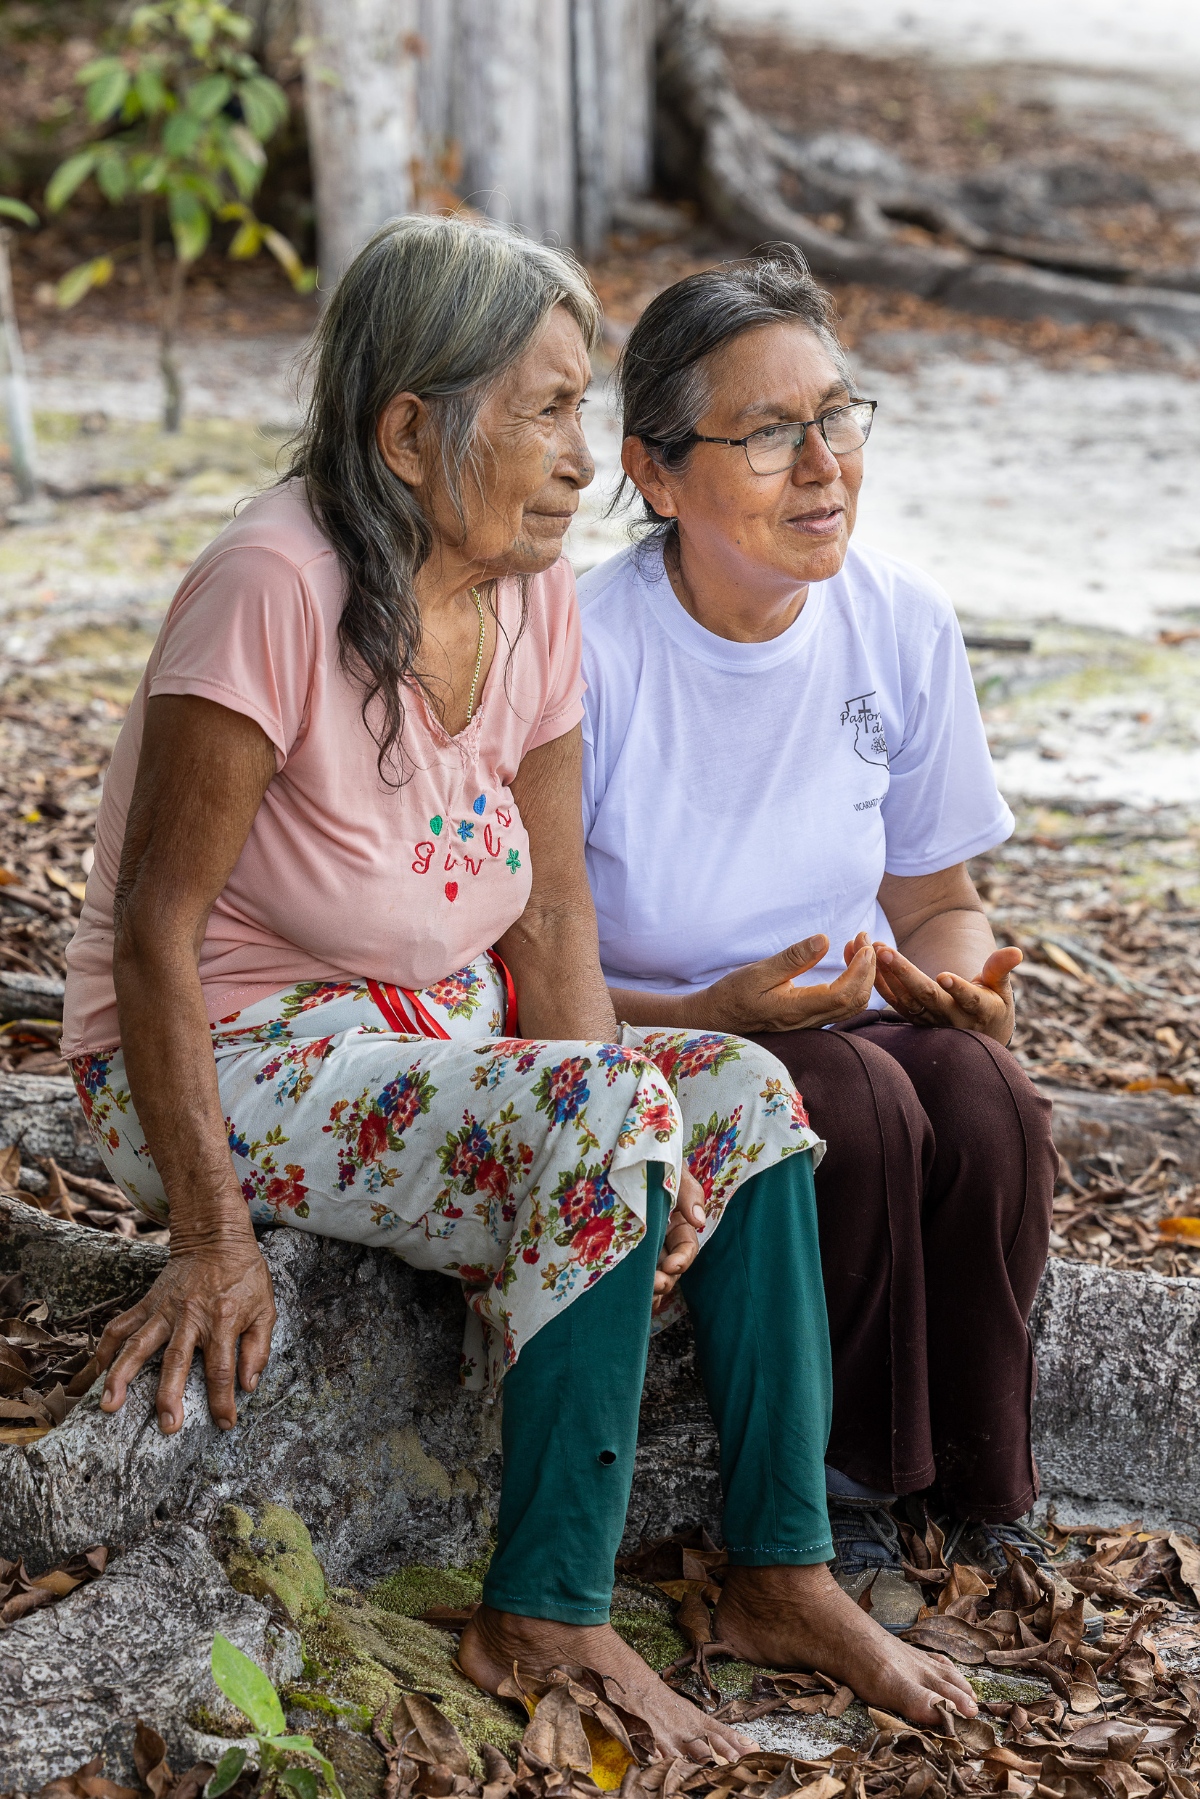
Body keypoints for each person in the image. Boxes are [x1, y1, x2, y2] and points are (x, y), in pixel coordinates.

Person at [61, 217, 977, 1753]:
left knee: (744, 1097)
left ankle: (783, 1568)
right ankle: (540, 1609)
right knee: (612, 1114)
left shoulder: (530, 591)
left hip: (437, 1045)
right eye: (546, 412)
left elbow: (552, 917)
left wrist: (609, 1165)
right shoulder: (271, 583)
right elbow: (157, 933)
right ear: (411, 433)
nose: (580, 459)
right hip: (226, 1053)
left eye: (580, 412)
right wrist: (209, 1242)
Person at [578, 246, 1057, 1619]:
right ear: (657, 475)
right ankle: (834, 1497)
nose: (825, 464)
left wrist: (962, 986)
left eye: (839, 416)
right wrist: (718, 1013)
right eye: (773, 433)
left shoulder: (897, 621)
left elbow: (936, 901)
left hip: (852, 1012)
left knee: (982, 1096)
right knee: (848, 1095)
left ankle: (979, 1488)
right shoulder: (587, 648)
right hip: (648, 1033)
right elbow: (519, 965)